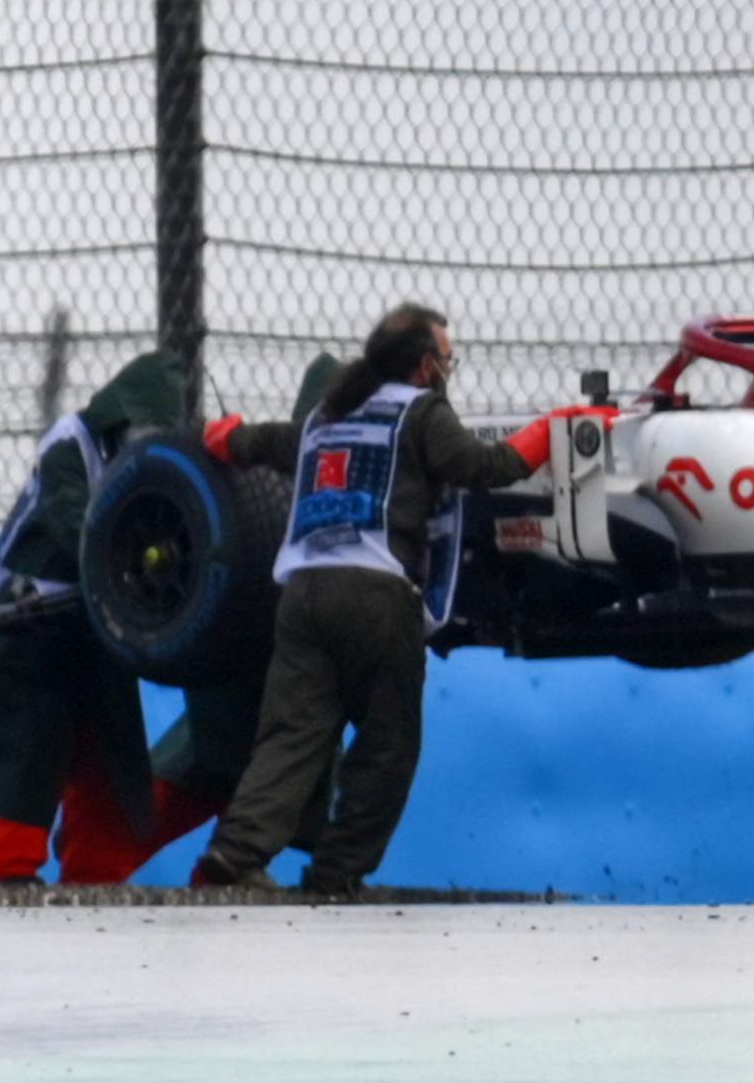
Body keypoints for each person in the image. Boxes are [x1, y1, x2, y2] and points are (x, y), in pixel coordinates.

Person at [195, 304, 532, 894]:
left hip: (303, 595)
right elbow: (480, 466)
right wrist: (558, 432)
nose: (450, 369)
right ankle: (337, 872)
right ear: (427, 366)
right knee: (388, 745)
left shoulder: (326, 417)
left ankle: (234, 853)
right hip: (377, 595)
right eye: (449, 359)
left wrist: (225, 437)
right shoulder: (421, 413)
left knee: (291, 736)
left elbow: (260, 442)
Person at [0, 349, 194, 883]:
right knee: (29, 756)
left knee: (113, 765)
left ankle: (95, 878)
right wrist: (132, 566)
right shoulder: (70, 444)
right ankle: (7, 878)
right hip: (27, 628)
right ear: (120, 418)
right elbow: (74, 524)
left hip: (94, 628)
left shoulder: (151, 471)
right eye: (140, 435)